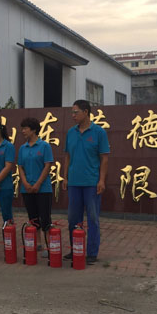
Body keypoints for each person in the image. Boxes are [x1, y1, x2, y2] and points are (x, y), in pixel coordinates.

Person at [62, 99, 110, 265]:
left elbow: (104, 158)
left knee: (92, 219)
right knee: (73, 219)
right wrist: (65, 177)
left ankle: (92, 252)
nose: (73, 115)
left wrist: (101, 180)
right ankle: (76, 249)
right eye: (72, 112)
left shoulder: (99, 132)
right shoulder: (71, 132)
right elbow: (67, 156)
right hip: (74, 183)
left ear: (86, 112)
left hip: (91, 183)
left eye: (76, 112)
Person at [17, 117, 54, 257]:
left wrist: (38, 184)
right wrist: (25, 183)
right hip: (27, 188)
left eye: (25, 128)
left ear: (33, 130)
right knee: (33, 217)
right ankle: (38, 243)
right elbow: (20, 167)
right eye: (22, 128)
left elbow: (47, 166)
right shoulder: (22, 148)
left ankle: (49, 245)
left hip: (43, 188)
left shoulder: (44, 146)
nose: (23, 131)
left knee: (45, 217)